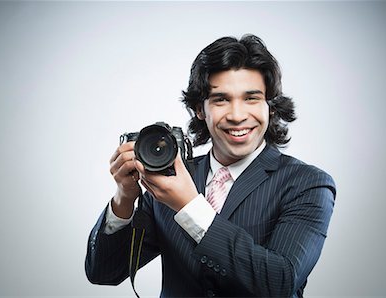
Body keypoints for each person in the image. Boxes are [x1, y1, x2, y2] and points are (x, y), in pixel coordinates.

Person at [85, 34, 336, 297]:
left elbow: (280, 284)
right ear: (199, 109)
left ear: (270, 107)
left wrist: (189, 206)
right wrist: (124, 198)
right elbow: (103, 272)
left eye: (251, 98)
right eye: (221, 100)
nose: (237, 116)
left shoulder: (308, 184)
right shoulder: (169, 178)